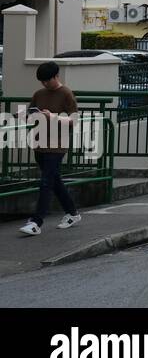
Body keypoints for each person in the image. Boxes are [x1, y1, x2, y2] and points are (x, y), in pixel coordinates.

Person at [19, 61, 82, 236]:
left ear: (56, 76)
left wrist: (52, 116)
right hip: (40, 143)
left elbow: (74, 120)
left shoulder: (66, 93)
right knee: (54, 181)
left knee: (46, 182)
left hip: (57, 145)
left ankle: (36, 222)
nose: (45, 84)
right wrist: (24, 115)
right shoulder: (39, 93)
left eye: (47, 80)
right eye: (42, 81)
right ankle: (73, 213)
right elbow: (31, 113)